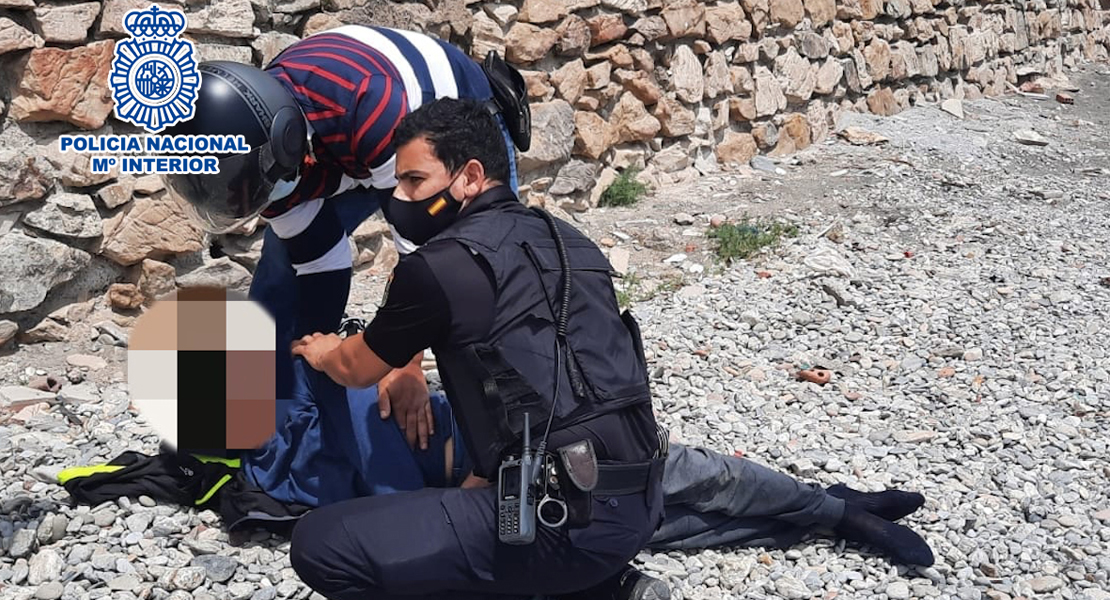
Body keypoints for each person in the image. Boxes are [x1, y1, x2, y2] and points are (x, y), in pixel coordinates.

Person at [283, 97, 668, 600]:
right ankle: (606, 587)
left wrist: (322, 349)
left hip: (558, 525)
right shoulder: (569, 242)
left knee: (321, 544)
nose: (397, 196)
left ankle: (578, 578)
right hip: (640, 500)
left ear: (467, 177)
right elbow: (537, 383)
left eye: (414, 181)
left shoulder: (440, 266)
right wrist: (485, 475)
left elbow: (355, 368)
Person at [161, 24, 529, 415]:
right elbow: (319, 262)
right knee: (281, 269)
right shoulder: (258, 156)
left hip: (443, 119)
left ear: (286, 149)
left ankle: (514, 422)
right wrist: (316, 350)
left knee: (483, 268)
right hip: (342, 145)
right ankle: (269, 409)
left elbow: (427, 260)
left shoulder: (369, 106)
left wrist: (403, 363)